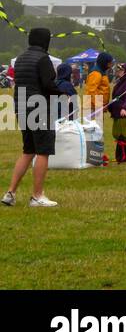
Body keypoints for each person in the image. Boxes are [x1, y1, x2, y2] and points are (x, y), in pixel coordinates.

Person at [3, 28, 60, 207]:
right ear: (46, 41)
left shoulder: (20, 59)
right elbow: (48, 84)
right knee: (43, 151)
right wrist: (62, 92)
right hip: (39, 106)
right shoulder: (43, 59)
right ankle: (37, 196)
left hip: (21, 106)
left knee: (28, 151)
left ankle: (10, 193)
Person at [84, 52, 113, 120]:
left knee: (98, 129)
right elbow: (91, 91)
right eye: (109, 63)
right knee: (94, 129)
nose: (110, 66)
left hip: (97, 107)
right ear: (104, 62)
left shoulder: (101, 72)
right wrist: (99, 105)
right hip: (93, 108)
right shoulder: (96, 73)